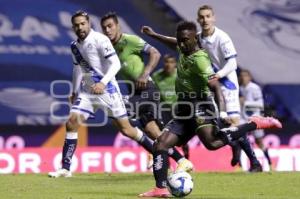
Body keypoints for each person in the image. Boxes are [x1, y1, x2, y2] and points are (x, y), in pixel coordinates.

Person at [139, 21, 282, 197]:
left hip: (200, 104)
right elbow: (173, 42)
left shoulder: (200, 60)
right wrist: (153, 35)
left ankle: (254, 124)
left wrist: (222, 113)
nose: (181, 44)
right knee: (160, 143)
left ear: (194, 39)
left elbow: (216, 87)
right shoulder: (183, 48)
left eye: (185, 40)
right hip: (183, 108)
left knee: (212, 143)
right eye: (180, 40)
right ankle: (160, 189)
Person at [142, 4, 263, 172]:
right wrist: (154, 35)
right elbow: (177, 43)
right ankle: (235, 146)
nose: (205, 20)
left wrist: (218, 75)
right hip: (206, 85)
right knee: (220, 130)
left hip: (225, 83)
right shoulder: (196, 37)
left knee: (232, 122)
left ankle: (254, 162)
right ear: (198, 20)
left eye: (208, 16)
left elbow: (233, 63)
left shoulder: (222, 37)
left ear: (213, 18)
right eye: (202, 17)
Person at [48, 11, 155, 178]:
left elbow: (116, 64)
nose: (80, 27)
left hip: (108, 91)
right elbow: (78, 68)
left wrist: (103, 83)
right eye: (76, 25)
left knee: (127, 130)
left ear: (89, 23)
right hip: (88, 91)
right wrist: (75, 91)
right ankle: (66, 168)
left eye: (83, 23)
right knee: (72, 122)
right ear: (73, 27)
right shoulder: (74, 46)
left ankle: (155, 150)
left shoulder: (100, 39)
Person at [100, 12, 193, 172]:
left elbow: (155, 53)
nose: (108, 30)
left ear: (118, 26)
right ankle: (180, 160)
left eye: (110, 26)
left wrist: (145, 74)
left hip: (146, 89)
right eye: (104, 28)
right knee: (153, 132)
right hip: (135, 92)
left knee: (121, 114)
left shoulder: (130, 40)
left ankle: (157, 155)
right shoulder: (109, 48)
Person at [152, 54, 190, 159]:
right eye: (166, 62)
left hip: (178, 109)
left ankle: (186, 156)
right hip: (164, 110)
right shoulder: (156, 76)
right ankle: (166, 161)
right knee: (163, 136)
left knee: (181, 137)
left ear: (175, 64)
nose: (168, 65)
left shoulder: (180, 74)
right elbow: (154, 93)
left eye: (171, 62)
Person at [239, 69, 272, 168]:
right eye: (241, 76)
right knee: (240, 140)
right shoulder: (239, 88)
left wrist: (246, 103)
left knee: (259, 141)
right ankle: (240, 166)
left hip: (255, 118)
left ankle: (270, 163)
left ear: (250, 77)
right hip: (243, 119)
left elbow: (260, 105)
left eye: (245, 76)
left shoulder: (255, 88)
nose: (243, 78)